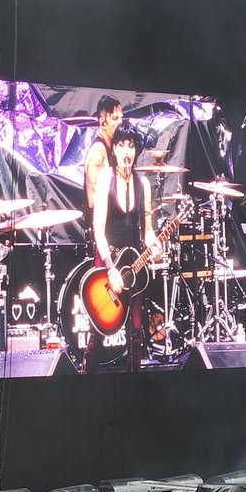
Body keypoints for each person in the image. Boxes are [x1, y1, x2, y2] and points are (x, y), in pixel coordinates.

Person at [88, 124, 159, 372]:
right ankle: (87, 380)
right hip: (108, 258)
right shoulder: (105, 178)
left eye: (131, 145)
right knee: (99, 327)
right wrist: (110, 269)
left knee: (136, 329)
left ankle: (134, 381)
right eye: (121, 145)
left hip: (133, 262)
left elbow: (147, 230)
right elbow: (98, 229)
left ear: (136, 150)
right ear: (114, 149)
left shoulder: (143, 184)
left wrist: (153, 244)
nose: (127, 151)